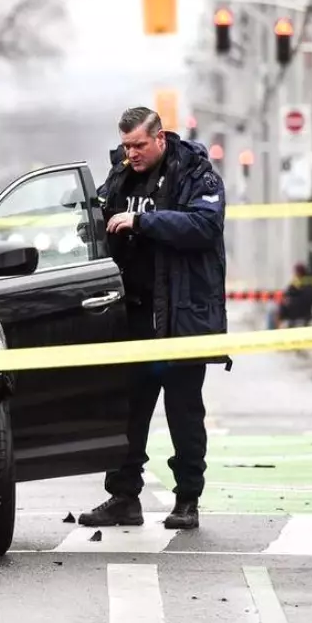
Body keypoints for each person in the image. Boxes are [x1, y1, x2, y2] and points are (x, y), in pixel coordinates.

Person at [77, 107, 228, 531]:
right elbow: (100, 223)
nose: (131, 154)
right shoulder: (121, 175)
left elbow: (204, 225)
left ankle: (187, 501)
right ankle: (124, 497)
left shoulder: (196, 172)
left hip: (179, 320)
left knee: (183, 413)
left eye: (139, 145)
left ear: (160, 138)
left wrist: (142, 221)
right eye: (126, 146)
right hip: (134, 319)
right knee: (129, 413)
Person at [276, 263, 312, 328]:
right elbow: (284, 303)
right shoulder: (291, 288)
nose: (296, 276)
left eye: (298, 273)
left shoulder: (309, 288)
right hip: (291, 320)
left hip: (303, 320)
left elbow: (307, 301)